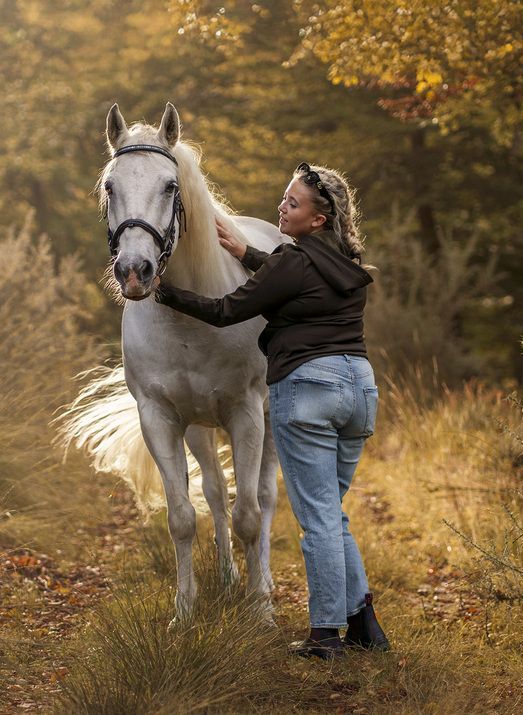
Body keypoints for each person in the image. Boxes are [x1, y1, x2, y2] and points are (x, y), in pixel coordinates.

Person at [155, 162, 388, 659]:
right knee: (333, 515)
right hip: (360, 391)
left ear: (317, 220)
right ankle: (365, 624)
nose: (281, 207)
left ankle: (325, 634)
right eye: (284, 199)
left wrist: (165, 291)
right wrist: (247, 252)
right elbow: (294, 278)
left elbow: (225, 312)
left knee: (318, 521)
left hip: (309, 390)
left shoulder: (290, 262)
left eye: (293, 203)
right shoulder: (347, 261)